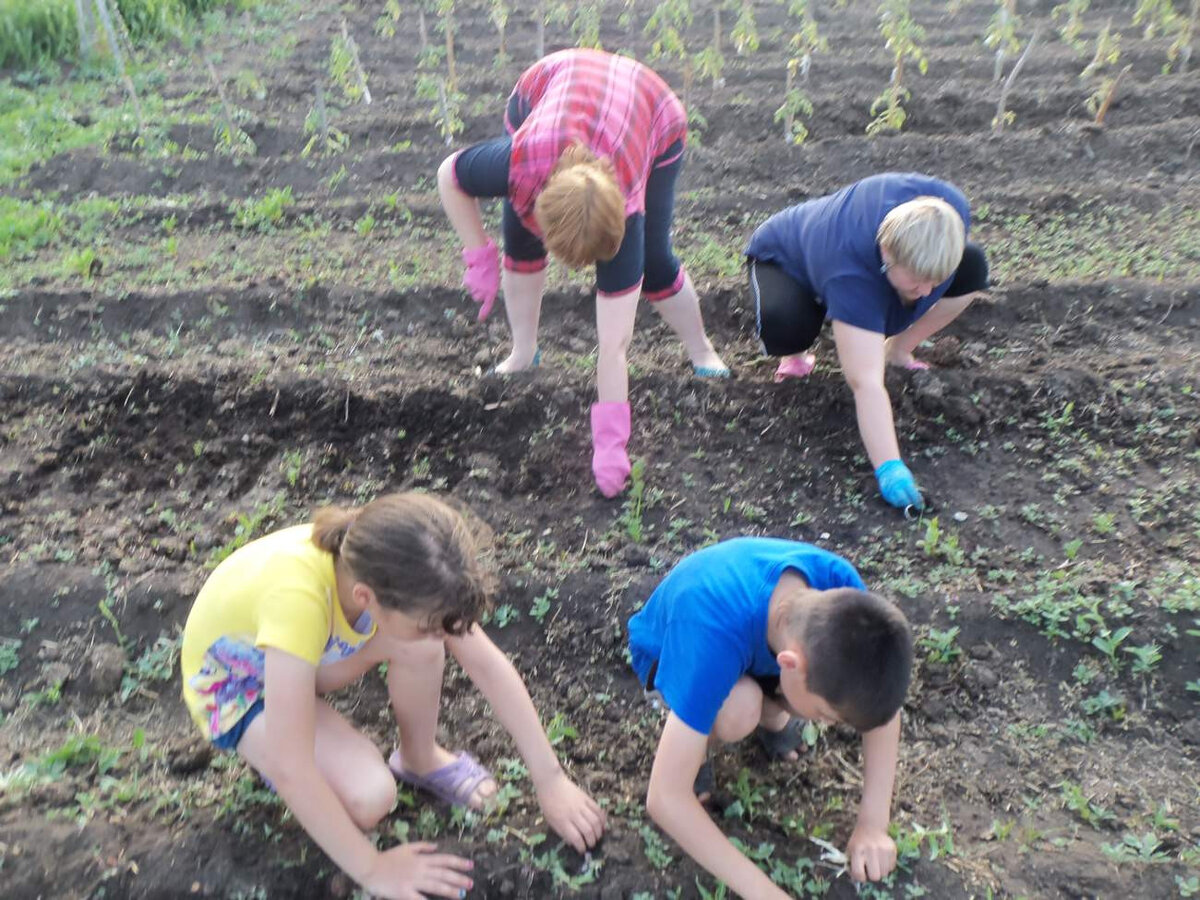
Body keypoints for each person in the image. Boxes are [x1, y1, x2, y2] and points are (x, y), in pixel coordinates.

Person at [181, 492, 606, 900]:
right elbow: (292, 767)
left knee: (418, 644)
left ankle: (420, 759)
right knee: (369, 797)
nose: (440, 634)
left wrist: (551, 780)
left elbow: (487, 666)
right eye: (427, 623)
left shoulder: (395, 562)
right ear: (366, 598)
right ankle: (265, 747)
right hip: (236, 689)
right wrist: (373, 869)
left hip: (297, 660)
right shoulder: (298, 601)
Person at [437, 48, 728, 499]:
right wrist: (480, 256)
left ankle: (702, 349)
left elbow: (613, 346)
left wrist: (611, 443)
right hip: (551, 83)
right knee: (520, 238)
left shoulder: (627, 212)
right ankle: (523, 351)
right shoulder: (517, 164)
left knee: (654, 265)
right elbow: (450, 175)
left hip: (649, 108)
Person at [627, 537, 913, 895]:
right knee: (739, 710)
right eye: (825, 715)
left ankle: (774, 713)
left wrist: (873, 824)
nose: (827, 724)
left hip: (750, 650)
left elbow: (878, 696)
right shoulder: (710, 633)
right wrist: (766, 893)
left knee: (777, 704)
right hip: (669, 649)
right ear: (789, 665)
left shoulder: (842, 592)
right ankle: (699, 748)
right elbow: (665, 798)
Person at [745, 172, 991, 512]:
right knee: (787, 325)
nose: (926, 292)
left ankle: (899, 350)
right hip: (787, 258)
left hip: (859, 257)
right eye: (917, 281)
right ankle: (796, 354)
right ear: (887, 253)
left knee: (973, 268)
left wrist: (924, 283)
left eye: (935, 282)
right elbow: (866, 383)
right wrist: (889, 467)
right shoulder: (850, 271)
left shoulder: (950, 213)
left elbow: (934, 273)